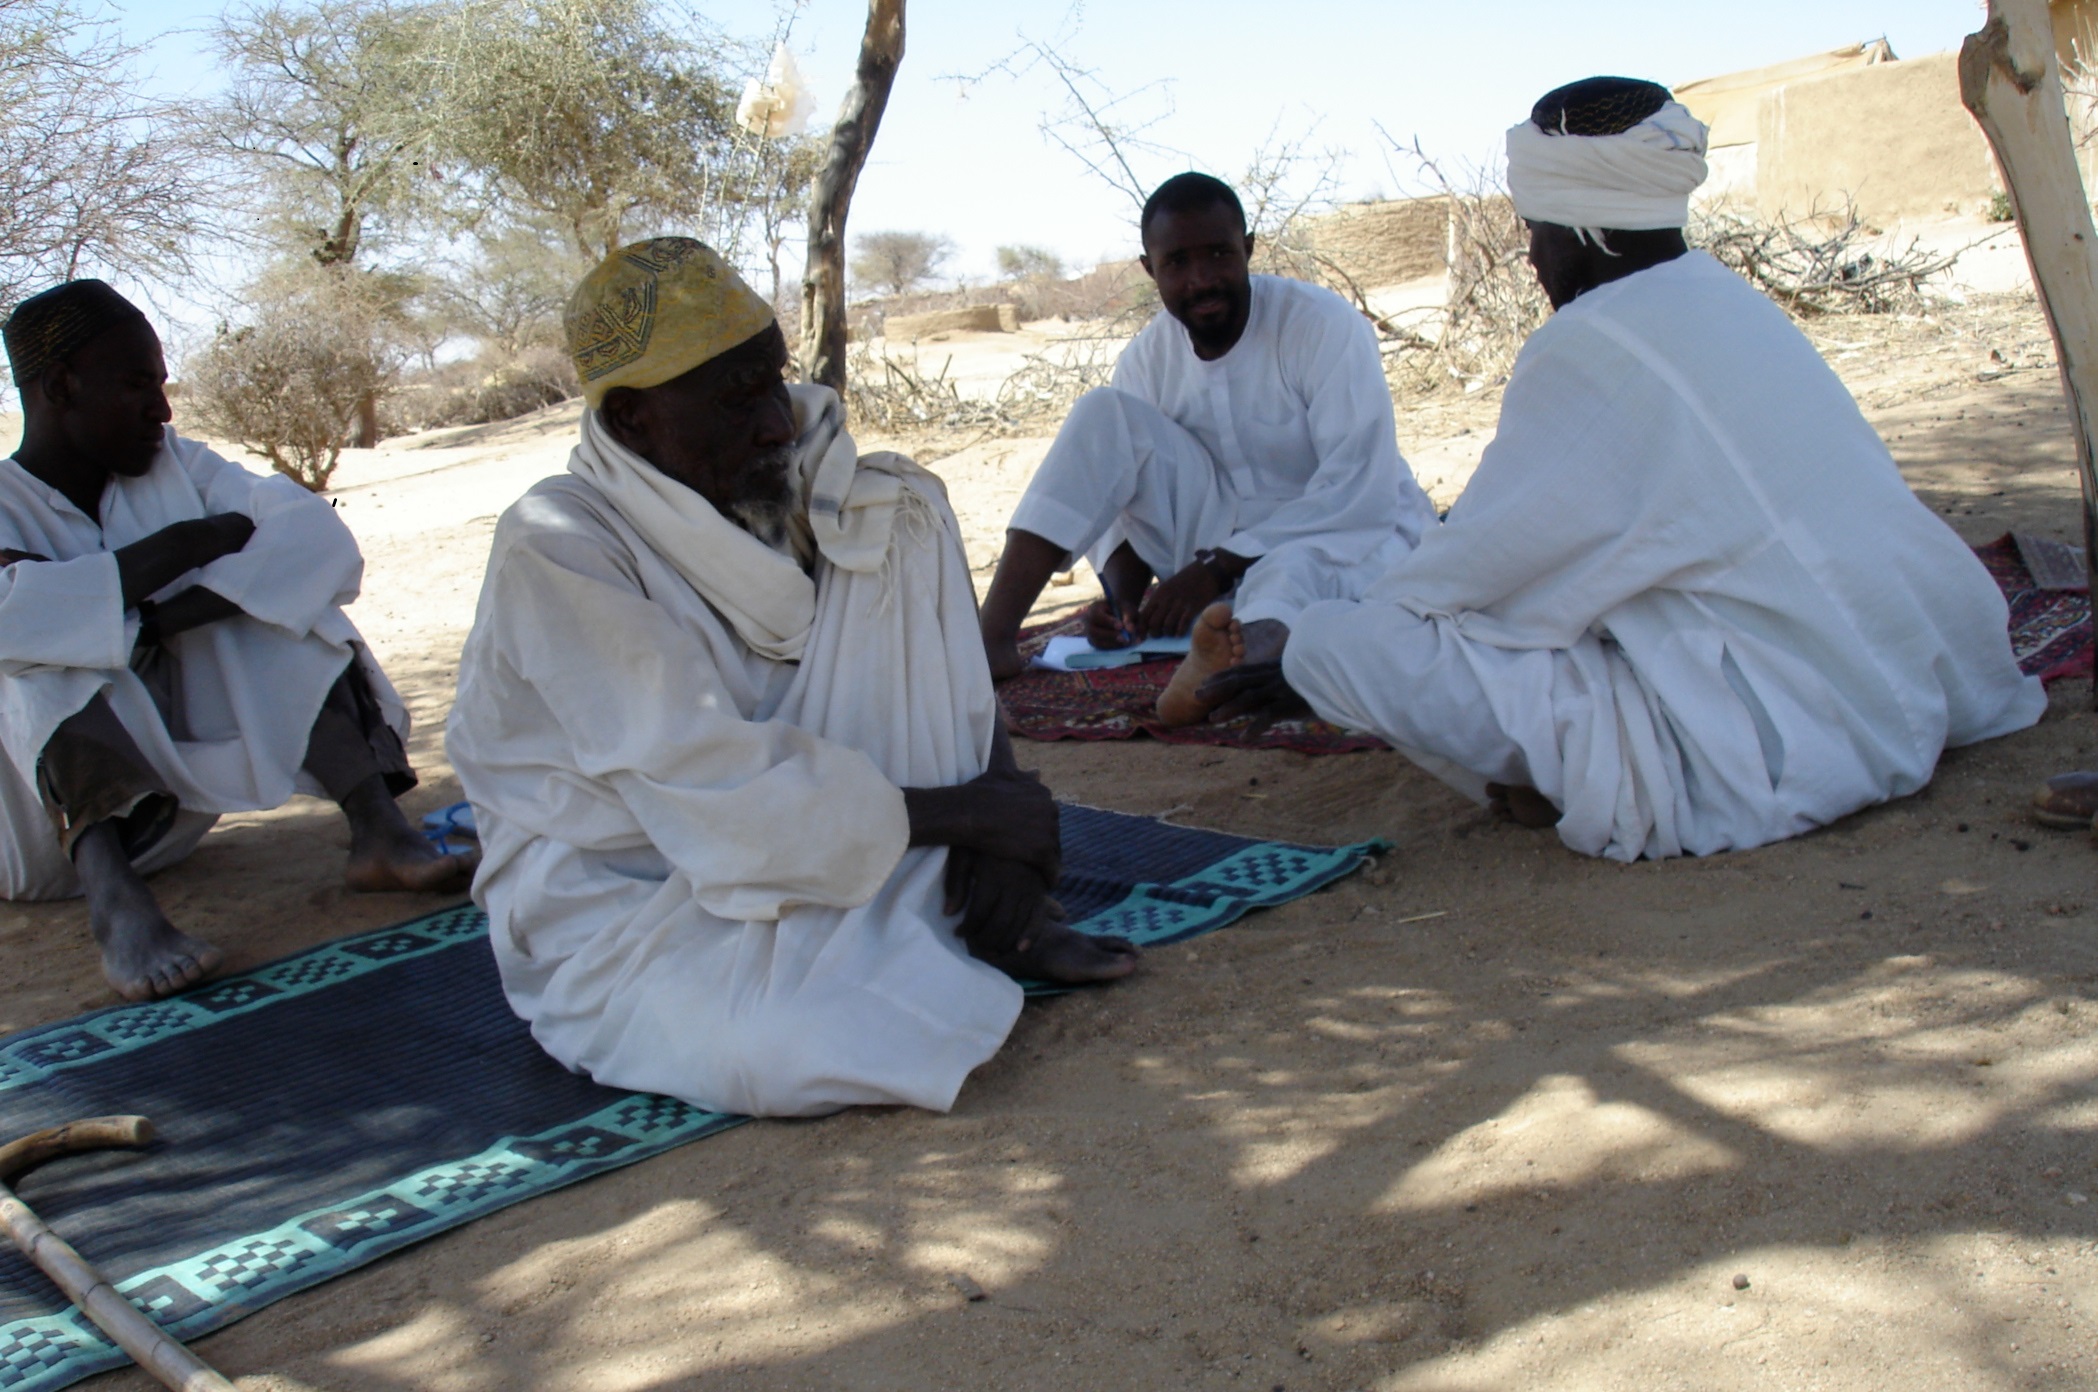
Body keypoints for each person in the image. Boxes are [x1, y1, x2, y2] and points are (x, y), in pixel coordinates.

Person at [1190, 77, 2046, 861]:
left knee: (1357, 642)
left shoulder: (1589, 343)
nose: (1533, 259)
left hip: (1781, 744)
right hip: (1917, 671)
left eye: (1537, 233)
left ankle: (1546, 781)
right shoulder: (1729, 299)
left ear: (1587, 230)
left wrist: (1304, 662)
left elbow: (1471, 575)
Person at [446, 238, 1138, 1119]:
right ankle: (949, 889)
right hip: (640, 893)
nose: (776, 421)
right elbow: (705, 786)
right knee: (790, 1048)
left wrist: (999, 802)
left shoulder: (816, 468)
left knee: (902, 507)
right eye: (734, 403)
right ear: (633, 424)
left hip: (857, 827)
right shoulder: (558, 548)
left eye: (772, 380)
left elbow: (933, 662)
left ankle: (991, 893)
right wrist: (974, 816)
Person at [0, 280, 473, 1001]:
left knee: (288, 601)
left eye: (161, 384)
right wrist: (193, 539)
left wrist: (153, 619)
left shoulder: (177, 467)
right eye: (135, 386)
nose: (161, 410)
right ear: (61, 386)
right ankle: (116, 909)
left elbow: (312, 538)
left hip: (164, 814)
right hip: (35, 844)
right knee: (32, 657)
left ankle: (380, 833)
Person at [975, 171, 1435, 716]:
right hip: (1214, 548)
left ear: (1248, 248)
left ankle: (1227, 675)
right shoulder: (1147, 359)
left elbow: (1358, 489)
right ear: (1151, 270)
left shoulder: (1322, 326)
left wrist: (1215, 569)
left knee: (1290, 569)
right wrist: (1124, 599)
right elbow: (1124, 500)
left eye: (1219, 254)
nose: (1201, 280)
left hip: (1350, 530)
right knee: (1103, 413)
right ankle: (992, 637)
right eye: (1177, 264)